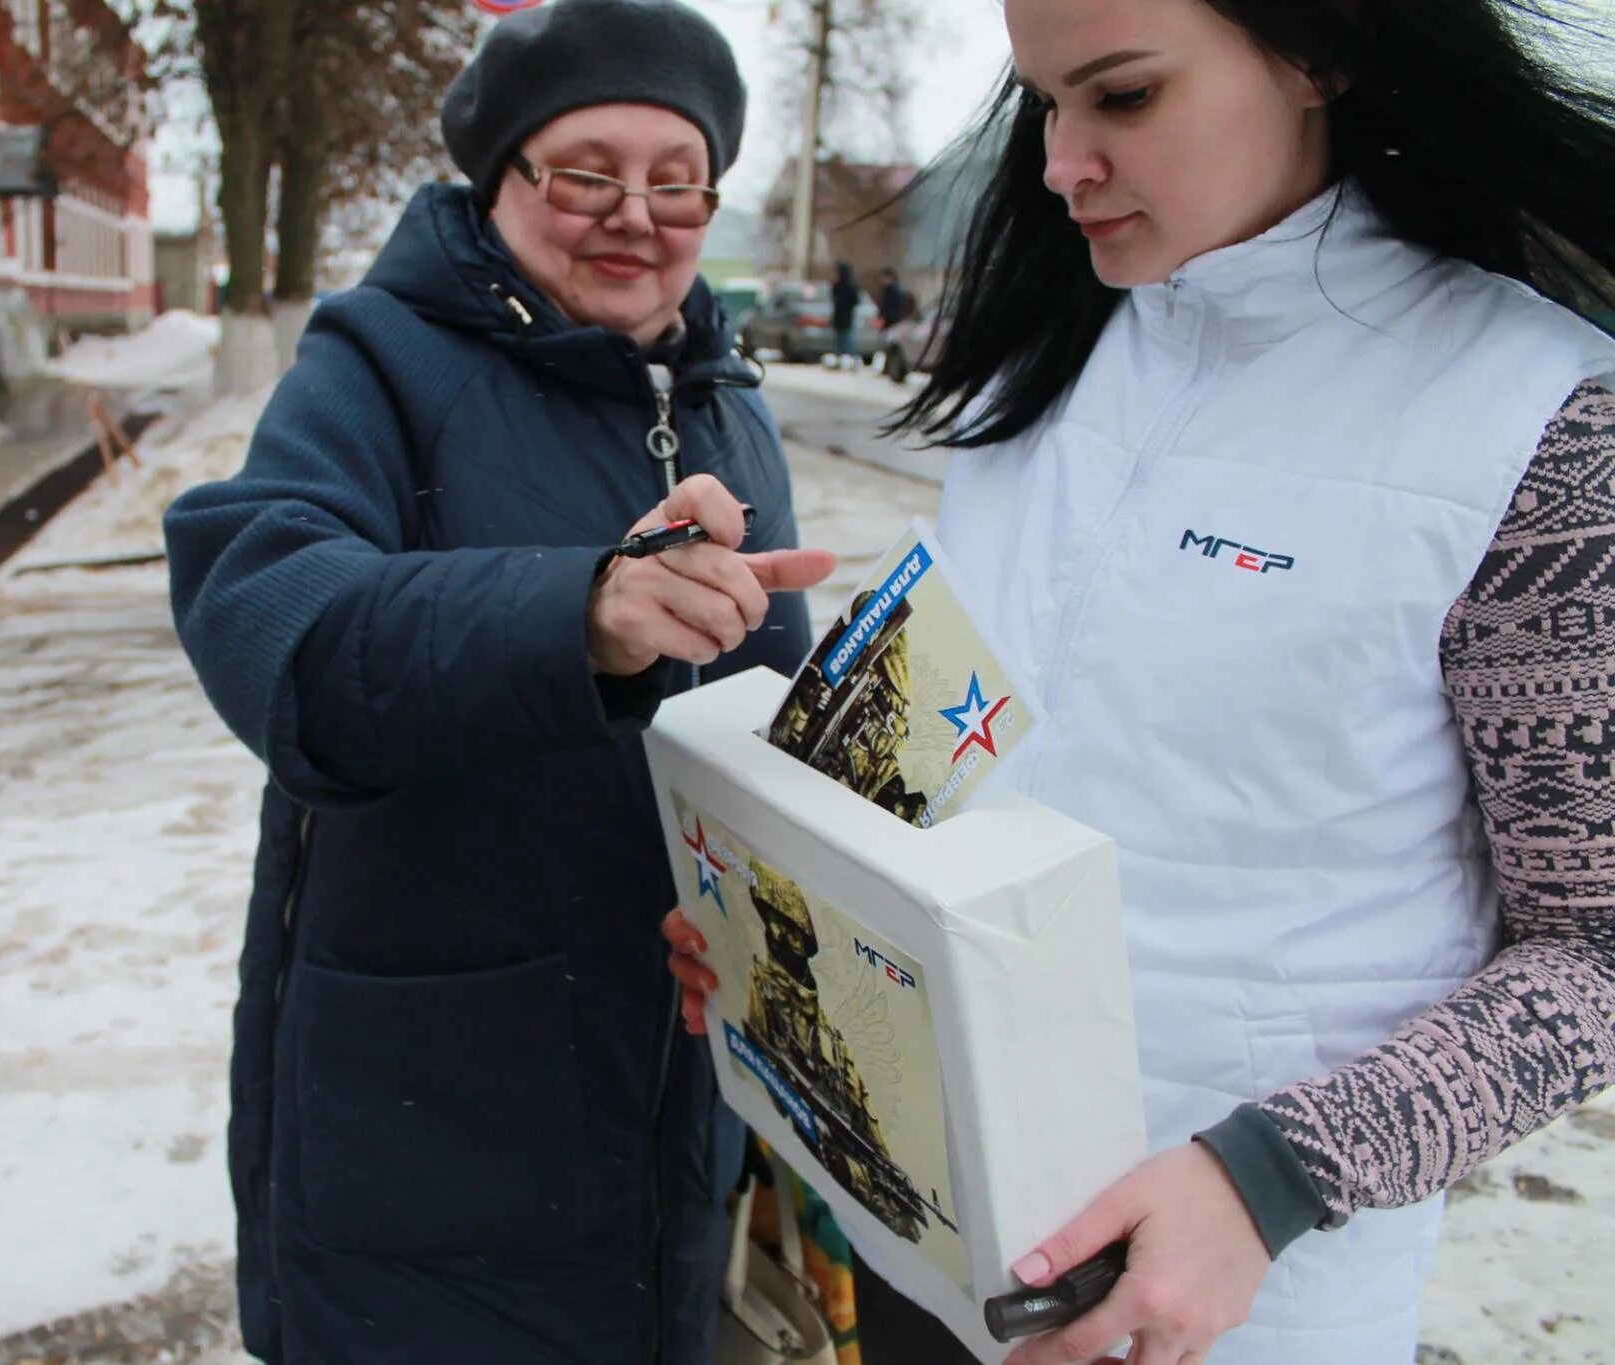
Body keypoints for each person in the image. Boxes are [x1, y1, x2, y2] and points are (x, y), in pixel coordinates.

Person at [664, 0, 1615, 1362]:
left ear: (1320, 53)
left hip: (1225, 1307)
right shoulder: (1051, 350)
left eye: (1122, 97)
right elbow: (954, 721)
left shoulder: (1540, 423)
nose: (1060, 161)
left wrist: (1271, 1180)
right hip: (927, 1246)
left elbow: (1595, 950)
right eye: (1045, 102)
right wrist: (764, 915)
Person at [163, 1, 835, 1361]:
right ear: (502, 181)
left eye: (675, 179)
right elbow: (267, 616)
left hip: (675, 1081)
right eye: (585, 172)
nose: (633, 213)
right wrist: (576, 611)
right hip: (442, 1108)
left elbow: (759, 715)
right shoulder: (381, 361)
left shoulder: (723, 397)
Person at [829, 260, 862, 367]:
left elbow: (855, 301)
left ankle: (854, 360)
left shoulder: (850, 285)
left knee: (847, 340)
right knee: (839, 340)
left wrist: (844, 303)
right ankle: (840, 359)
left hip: (846, 317)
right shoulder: (837, 285)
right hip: (838, 317)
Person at [873, 266, 911, 331]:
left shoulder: (894, 291)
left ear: (890, 278)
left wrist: (881, 319)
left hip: (891, 322)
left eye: (883, 277)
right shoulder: (889, 290)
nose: (881, 280)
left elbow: (892, 309)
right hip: (888, 321)